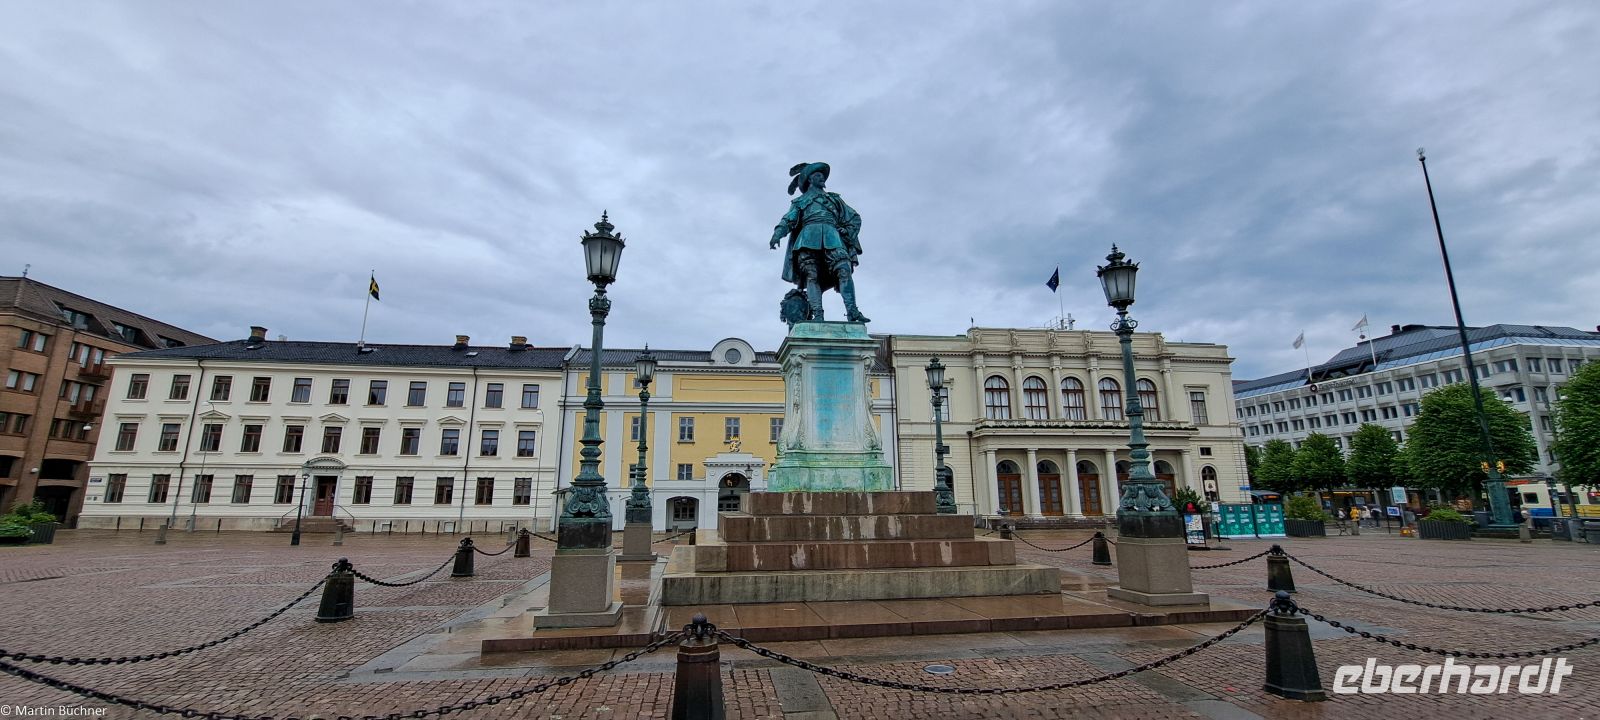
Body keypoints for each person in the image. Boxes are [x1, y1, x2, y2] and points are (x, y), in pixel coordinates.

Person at [770, 162, 869, 323]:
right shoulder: (800, 201)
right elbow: (788, 219)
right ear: (809, 179)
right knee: (811, 275)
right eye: (817, 175)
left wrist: (846, 231)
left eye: (822, 175)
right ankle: (818, 315)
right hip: (808, 238)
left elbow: (854, 217)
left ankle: (852, 311)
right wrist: (777, 234)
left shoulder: (834, 199)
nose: (822, 177)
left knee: (844, 269)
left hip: (833, 236)